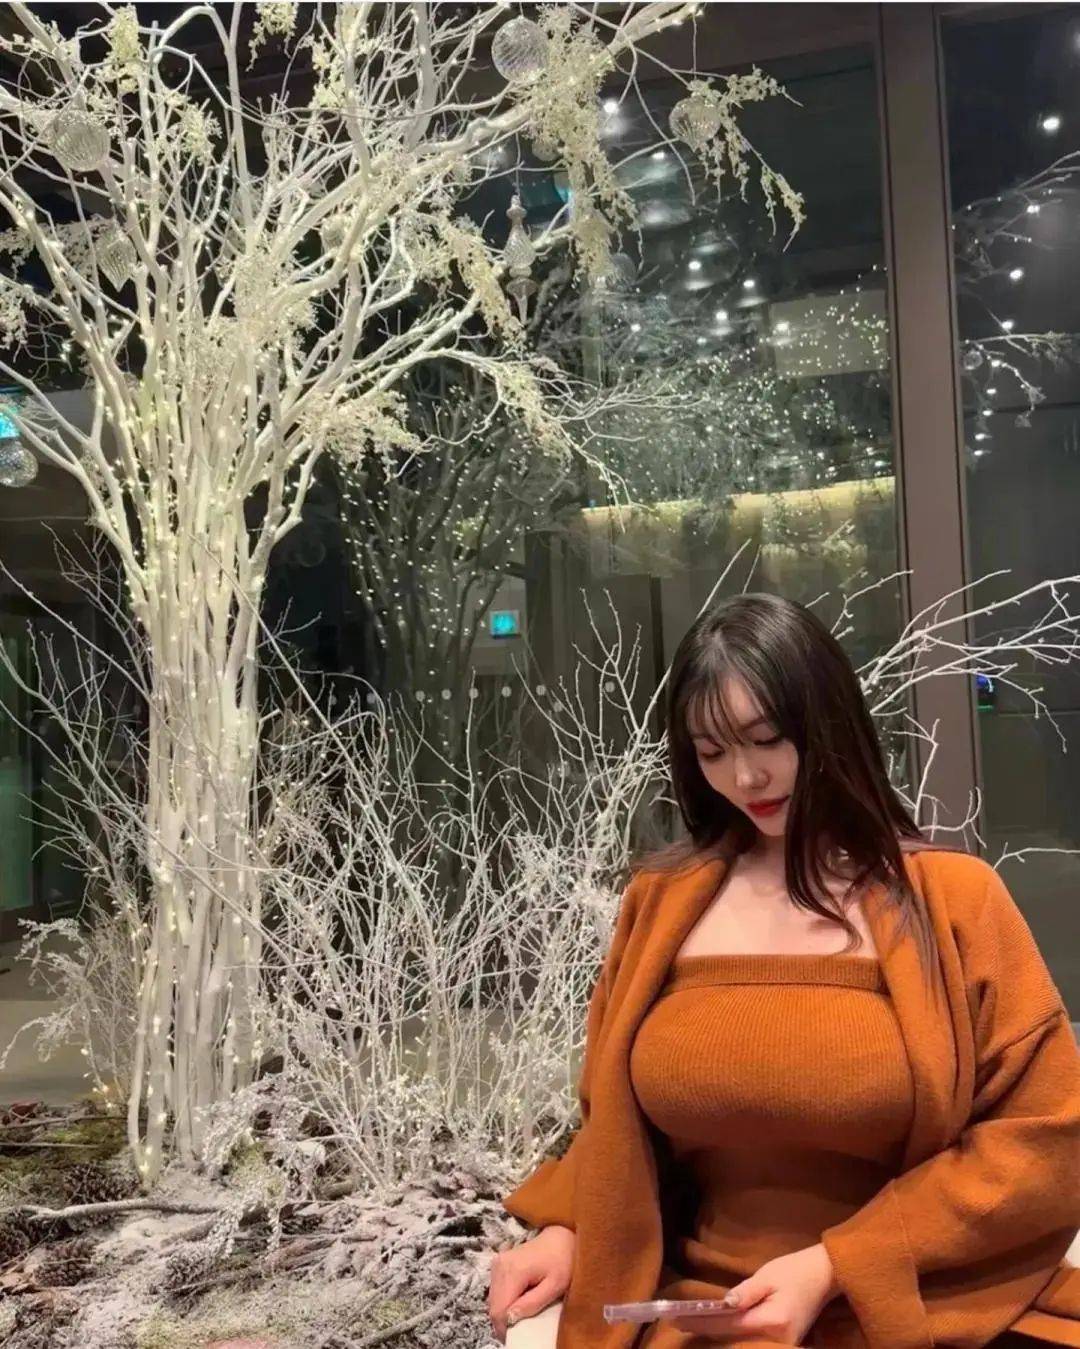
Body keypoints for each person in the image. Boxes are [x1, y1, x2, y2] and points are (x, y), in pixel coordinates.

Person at [488, 593, 1080, 1348]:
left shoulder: (954, 901)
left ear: (827, 722)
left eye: (767, 739)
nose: (745, 777)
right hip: (703, 1310)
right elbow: (615, 1122)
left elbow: (1046, 1139)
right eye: (711, 752)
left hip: (918, 1304)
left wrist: (839, 1264)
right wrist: (570, 1229)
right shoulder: (660, 903)